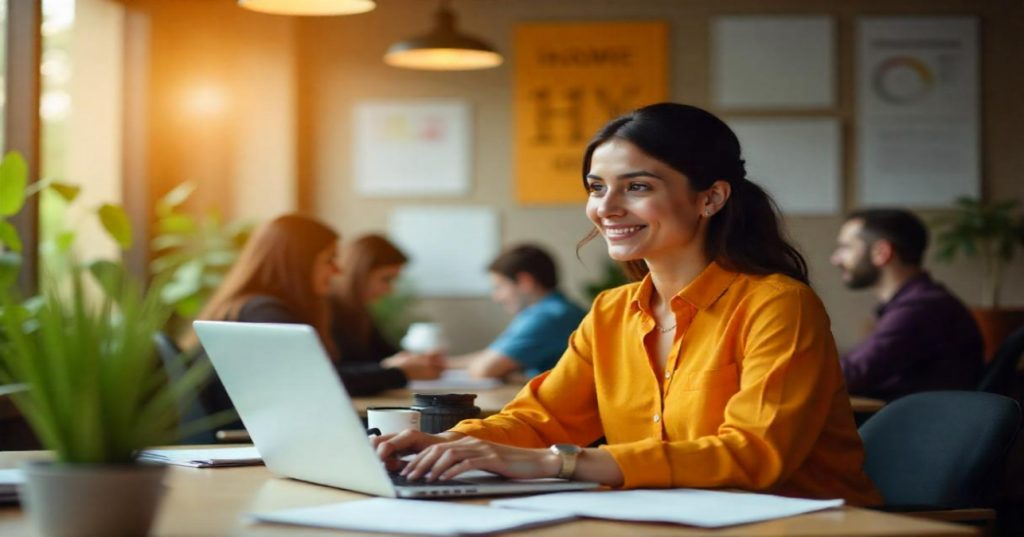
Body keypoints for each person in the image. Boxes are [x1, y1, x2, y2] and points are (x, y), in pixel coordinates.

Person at [373, 103, 881, 506]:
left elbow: (754, 455)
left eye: (637, 187)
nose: (607, 207)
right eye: (597, 187)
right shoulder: (612, 313)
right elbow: (539, 419)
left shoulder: (779, 305)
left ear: (711, 198)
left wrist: (559, 464)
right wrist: (446, 444)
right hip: (668, 521)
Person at [189, 216, 437, 421]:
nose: (338, 271)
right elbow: (322, 382)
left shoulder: (256, 306)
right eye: (329, 259)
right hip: (244, 437)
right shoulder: (263, 312)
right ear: (298, 263)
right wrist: (396, 372)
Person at [830, 209, 984, 401]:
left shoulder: (921, 308)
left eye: (846, 247)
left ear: (881, 253)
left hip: (916, 426)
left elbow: (852, 375)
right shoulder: (920, 302)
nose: (835, 259)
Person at [446, 245, 587, 379]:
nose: (496, 297)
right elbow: (494, 354)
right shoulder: (560, 309)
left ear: (525, 281)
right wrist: (443, 364)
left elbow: (485, 369)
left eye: (499, 286)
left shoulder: (547, 317)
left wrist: (506, 372)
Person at [330, 234, 444, 392]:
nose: (390, 289)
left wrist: (417, 361)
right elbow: (334, 377)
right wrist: (395, 369)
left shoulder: (361, 314)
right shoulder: (325, 312)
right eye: (386, 279)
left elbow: (386, 356)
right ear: (359, 273)